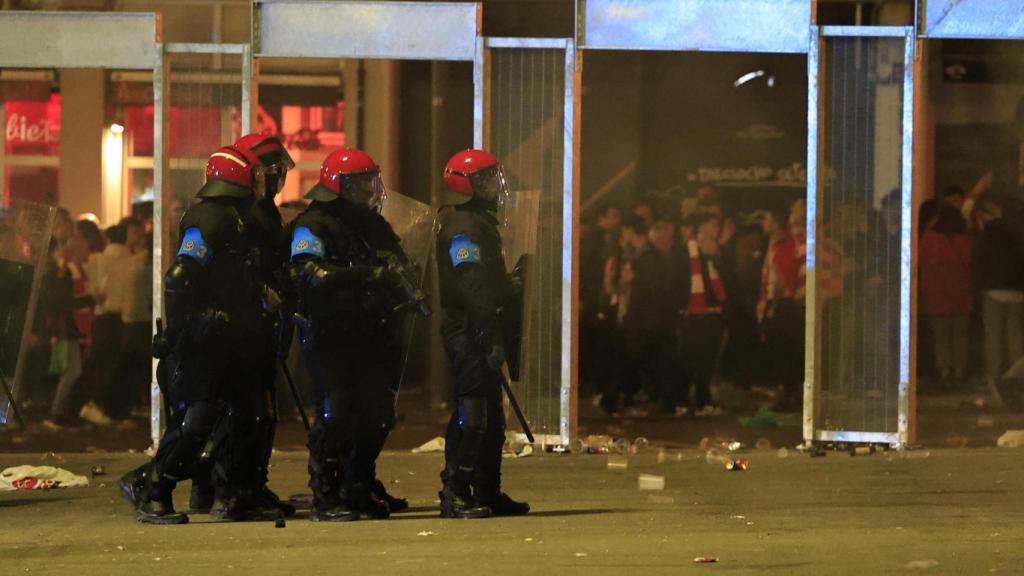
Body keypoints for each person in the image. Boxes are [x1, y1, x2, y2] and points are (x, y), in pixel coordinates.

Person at [120, 145, 276, 524]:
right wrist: (189, 325)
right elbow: (179, 278)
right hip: (206, 340)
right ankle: (153, 488)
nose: (260, 183)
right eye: (254, 176)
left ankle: (236, 493)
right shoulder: (208, 219)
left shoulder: (235, 219)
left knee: (245, 416)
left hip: (232, 338)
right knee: (197, 421)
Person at [290, 148, 415, 521]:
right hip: (330, 333)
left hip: (370, 332)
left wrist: (401, 278)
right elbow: (311, 275)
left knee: (377, 414)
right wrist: (366, 275)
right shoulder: (312, 225)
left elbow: (397, 259)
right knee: (336, 414)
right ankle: (326, 495)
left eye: (369, 182)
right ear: (339, 185)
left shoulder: (372, 224)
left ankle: (357, 486)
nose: (367, 190)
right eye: (359, 183)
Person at [435, 149, 529, 519]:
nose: (495, 186)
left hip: (483, 327)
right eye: (486, 180)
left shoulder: (480, 223)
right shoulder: (463, 229)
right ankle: (455, 491)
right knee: (472, 416)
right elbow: (473, 286)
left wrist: (511, 286)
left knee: (491, 419)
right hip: (470, 330)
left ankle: (487, 489)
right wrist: (489, 331)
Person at [971, 198, 1024, 403]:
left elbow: (978, 264)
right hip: (1017, 292)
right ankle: (1015, 378)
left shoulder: (985, 237)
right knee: (1015, 337)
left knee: (993, 337)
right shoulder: (1016, 234)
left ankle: (993, 378)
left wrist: (979, 288)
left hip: (993, 291)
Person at [675, 213, 727, 416]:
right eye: (712, 226)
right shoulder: (685, 252)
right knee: (688, 358)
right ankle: (684, 399)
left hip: (712, 314)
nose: (716, 230)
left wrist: (717, 257)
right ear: (701, 229)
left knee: (707, 359)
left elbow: (723, 284)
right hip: (692, 313)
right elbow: (679, 280)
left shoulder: (714, 253)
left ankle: (702, 398)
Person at [919, 204, 972, 389]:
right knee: (960, 337)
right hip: (961, 294)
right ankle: (959, 372)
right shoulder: (965, 238)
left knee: (941, 338)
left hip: (937, 295)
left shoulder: (930, 238)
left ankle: (944, 372)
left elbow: (921, 260)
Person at [757, 206, 802, 411]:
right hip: (778, 302)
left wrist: (772, 306)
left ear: (776, 222)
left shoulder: (784, 245)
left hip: (782, 304)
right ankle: (789, 392)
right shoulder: (775, 244)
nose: (764, 223)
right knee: (782, 350)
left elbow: (781, 278)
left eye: (767, 219)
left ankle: (788, 393)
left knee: (783, 350)